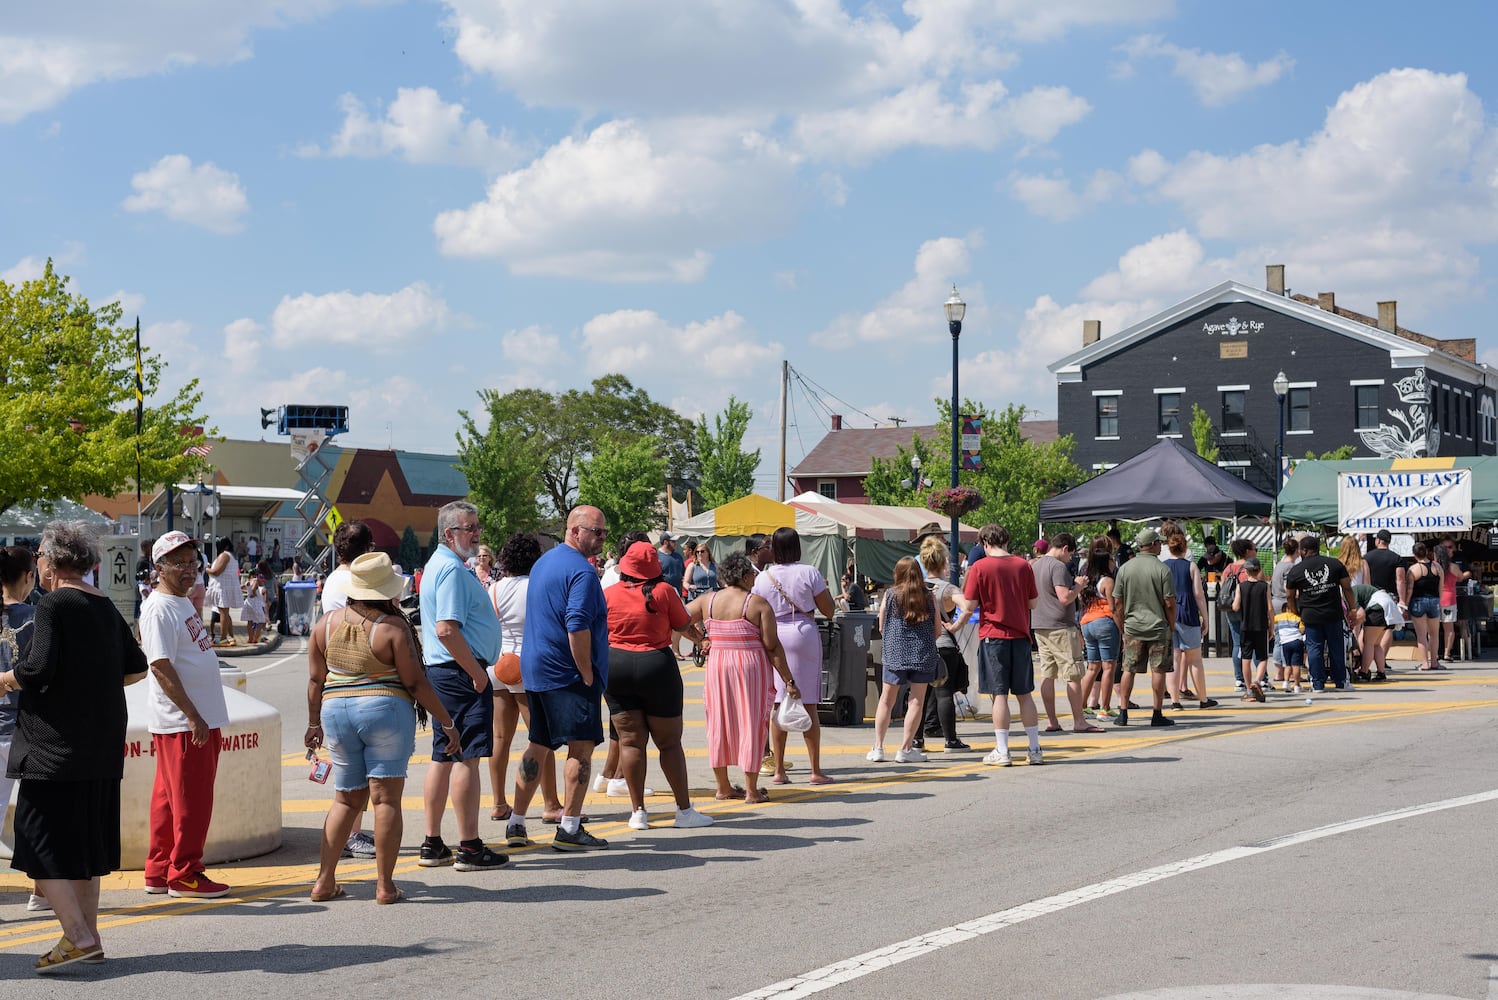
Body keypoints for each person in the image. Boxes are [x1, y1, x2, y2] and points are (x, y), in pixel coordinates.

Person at [1, 524, 147, 972]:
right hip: (100, 741)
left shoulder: (56, 603)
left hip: (53, 744)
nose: (39, 563)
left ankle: (79, 936)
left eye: (41, 555)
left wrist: (6, 680)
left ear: (52, 560)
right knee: (86, 848)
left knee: (33, 838)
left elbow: (38, 668)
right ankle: (88, 936)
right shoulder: (102, 605)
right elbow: (136, 667)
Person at [305, 553, 467, 904]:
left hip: (335, 711)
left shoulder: (324, 625)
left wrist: (313, 723)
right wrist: (447, 722)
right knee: (386, 799)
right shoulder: (392, 628)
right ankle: (385, 886)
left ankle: (323, 882)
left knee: (346, 800)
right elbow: (416, 684)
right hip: (384, 710)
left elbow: (316, 680)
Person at [507, 506, 611, 852]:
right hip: (567, 672)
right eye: (596, 532)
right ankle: (569, 826)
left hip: (537, 669)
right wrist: (586, 670)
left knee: (538, 743)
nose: (601, 538)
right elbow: (576, 625)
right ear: (574, 531)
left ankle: (517, 822)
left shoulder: (544, 563)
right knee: (580, 749)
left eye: (603, 533)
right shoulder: (581, 572)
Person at [139, 530, 234, 898]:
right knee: (192, 802)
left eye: (193, 563)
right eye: (178, 564)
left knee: (168, 799)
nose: (188, 570)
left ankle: (160, 869)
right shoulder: (161, 607)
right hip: (186, 723)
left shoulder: (179, 602)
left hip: (192, 720)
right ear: (159, 568)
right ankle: (185, 872)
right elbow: (160, 665)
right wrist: (194, 715)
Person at [417, 502, 508, 871]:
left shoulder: (443, 565)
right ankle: (469, 845)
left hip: (446, 673)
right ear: (448, 533)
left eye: (476, 527)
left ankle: (433, 842)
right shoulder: (452, 569)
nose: (476, 534)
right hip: (459, 673)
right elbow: (446, 629)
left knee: (444, 755)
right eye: (468, 528)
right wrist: (477, 672)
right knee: (465, 759)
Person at [604, 541, 713, 829]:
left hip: (616, 666)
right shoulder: (664, 591)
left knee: (630, 742)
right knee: (669, 743)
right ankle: (684, 811)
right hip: (656, 665)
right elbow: (681, 625)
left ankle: (638, 811)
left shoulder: (608, 594)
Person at [688, 551, 792, 804]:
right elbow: (772, 645)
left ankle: (723, 787)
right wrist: (789, 680)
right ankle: (751, 790)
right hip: (750, 668)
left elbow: (677, 620)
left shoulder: (707, 601)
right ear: (745, 576)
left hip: (719, 666)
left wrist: (700, 638)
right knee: (752, 723)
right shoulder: (757, 604)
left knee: (719, 723)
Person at [487, 532, 566, 826]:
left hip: (499, 664)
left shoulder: (494, 589)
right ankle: (550, 803)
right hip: (528, 666)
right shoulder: (536, 586)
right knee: (541, 739)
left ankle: (498, 802)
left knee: (499, 739)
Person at [753, 527, 837, 785]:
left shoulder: (763, 578)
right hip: (803, 632)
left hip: (773, 633)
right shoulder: (809, 572)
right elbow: (829, 610)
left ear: (774, 549)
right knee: (808, 702)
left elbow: (754, 609)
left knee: (779, 703)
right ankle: (815, 770)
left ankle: (778, 769)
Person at [955, 523, 1043, 765]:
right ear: (1006, 540)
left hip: (993, 636)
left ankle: (1003, 750)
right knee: (1025, 694)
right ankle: (1034, 748)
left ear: (984, 543)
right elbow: (1033, 604)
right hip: (1021, 637)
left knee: (999, 694)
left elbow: (970, 605)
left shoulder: (980, 567)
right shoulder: (1023, 565)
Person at [318, 520, 377, 860]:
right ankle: (350, 835)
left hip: (337, 675)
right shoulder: (357, 580)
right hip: (358, 675)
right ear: (367, 548)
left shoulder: (332, 581)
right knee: (358, 770)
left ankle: (348, 832)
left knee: (351, 767)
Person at [0, 547, 48, 915]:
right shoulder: (37, 618)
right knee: (37, 814)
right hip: (30, 730)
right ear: (29, 577)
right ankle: (41, 892)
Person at [867, 557, 940, 763]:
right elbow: (937, 630)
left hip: (894, 654)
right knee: (916, 701)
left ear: (897, 574)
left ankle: (878, 747)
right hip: (922, 654)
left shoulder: (890, 595)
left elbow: (881, 627)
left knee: (886, 701)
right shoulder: (929, 597)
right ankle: (905, 749)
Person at [1031, 532, 1102, 734]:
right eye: (1070, 554)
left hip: (1040, 624)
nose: (1070, 558)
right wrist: (1079, 586)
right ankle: (1079, 721)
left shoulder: (1035, 565)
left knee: (1047, 674)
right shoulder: (1058, 567)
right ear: (1064, 549)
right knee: (1073, 674)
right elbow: (1064, 597)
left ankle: (1052, 721)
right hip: (1060, 626)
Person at [1110, 527, 1177, 728]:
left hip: (1133, 627)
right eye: (1159, 543)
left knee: (1128, 669)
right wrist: (1170, 626)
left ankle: (1123, 712)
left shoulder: (1125, 569)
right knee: (1159, 670)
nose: (1161, 546)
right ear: (1154, 544)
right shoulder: (1163, 569)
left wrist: (1122, 627)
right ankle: (1157, 713)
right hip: (1158, 627)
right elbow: (1170, 603)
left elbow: (1118, 603)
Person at [915, 537, 971, 752]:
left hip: (921, 644)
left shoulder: (917, 587)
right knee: (944, 693)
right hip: (944, 644)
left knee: (920, 694)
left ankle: (917, 739)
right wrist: (954, 625)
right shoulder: (948, 589)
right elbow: (967, 607)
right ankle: (951, 740)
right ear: (943, 562)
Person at [1285, 534, 1356, 692]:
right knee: (1336, 648)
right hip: (1333, 613)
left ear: (1304, 550)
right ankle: (1341, 682)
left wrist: (1296, 613)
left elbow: (1289, 595)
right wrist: (1352, 608)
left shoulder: (1296, 570)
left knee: (1314, 649)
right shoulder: (1334, 564)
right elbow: (1347, 587)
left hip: (1310, 615)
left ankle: (1317, 684)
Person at [1164, 532, 1217, 711]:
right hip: (1188, 614)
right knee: (1194, 659)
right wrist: (1205, 617)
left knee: (1174, 659)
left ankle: (1174, 701)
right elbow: (1198, 595)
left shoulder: (1163, 567)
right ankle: (1203, 699)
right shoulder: (1191, 566)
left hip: (1169, 614)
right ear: (1185, 548)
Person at [1078, 541, 1120, 719]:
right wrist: (1123, 630)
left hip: (1087, 622)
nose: (1113, 562)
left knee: (1092, 667)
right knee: (1109, 666)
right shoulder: (1108, 581)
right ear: (1106, 562)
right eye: (1111, 559)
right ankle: (1105, 708)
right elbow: (1114, 608)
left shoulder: (1087, 581)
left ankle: (1081, 706)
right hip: (1105, 623)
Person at [1363, 529, 1406, 680]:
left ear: (1378, 540)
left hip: (1372, 596)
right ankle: (1383, 660)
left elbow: (1364, 579)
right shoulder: (1396, 558)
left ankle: (1368, 664)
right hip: (1390, 596)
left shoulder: (1367, 557)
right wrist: (1402, 600)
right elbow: (1400, 579)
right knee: (1388, 629)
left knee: (1369, 633)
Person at [1232, 557, 1271, 699]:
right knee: (1263, 658)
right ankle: (1258, 680)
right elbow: (1270, 608)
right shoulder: (1265, 586)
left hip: (1245, 627)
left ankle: (1248, 689)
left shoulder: (1241, 587)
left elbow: (1235, 607)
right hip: (1261, 626)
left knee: (1246, 658)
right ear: (1259, 570)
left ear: (1246, 572)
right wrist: (1271, 626)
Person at [1220, 538, 1256, 691]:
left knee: (1237, 643)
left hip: (1230, 608)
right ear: (1247, 551)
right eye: (1255, 549)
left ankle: (1239, 679)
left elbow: (1223, 586)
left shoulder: (1228, 568)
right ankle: (1262, 677)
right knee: (1252, 643)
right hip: (1247, 609)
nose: (1256, 552)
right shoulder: (1251, 567)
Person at [1405, 540, 1444, 672]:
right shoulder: (1437, 567)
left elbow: (1409, 590)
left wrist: (1405, 605)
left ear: (1414, 554)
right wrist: (1440, 601)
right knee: (1434, 634)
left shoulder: (1413, 569)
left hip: (1417, 601)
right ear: (1427, 552)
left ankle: (1424, 663)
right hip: (1434, 601)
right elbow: (1441, 587)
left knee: (1421, 635)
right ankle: (1434, 662)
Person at [1268, 536, 1299, 688]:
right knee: (1288, 638)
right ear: (1297, 550)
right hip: (1284, 603)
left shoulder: (1279, 564)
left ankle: (1278, 671)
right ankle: (1286, 671)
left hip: (1275, 602)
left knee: (1279, 638)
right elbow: (1288, 588)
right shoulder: (1290, 567)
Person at [1437, 538, 1470, 661]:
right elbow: (1461, 577)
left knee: (1433, 629)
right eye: (1448, 548)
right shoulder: (1453, 566)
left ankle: (1434, 654)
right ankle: (1446, 653)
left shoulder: (1434, 566)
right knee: (1449, 628)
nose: (1450, 551)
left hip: (1436, 598)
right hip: (1448, 598)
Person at [1272, 606, 1307, 692]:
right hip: (1296, 642)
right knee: (1296, 665)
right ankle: (1297, 685)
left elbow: (1271, 620)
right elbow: (1302, 630)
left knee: (1287, 664)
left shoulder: (1279, 617)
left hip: (1285, 643)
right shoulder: (1298, 618)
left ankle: (1286, 682)